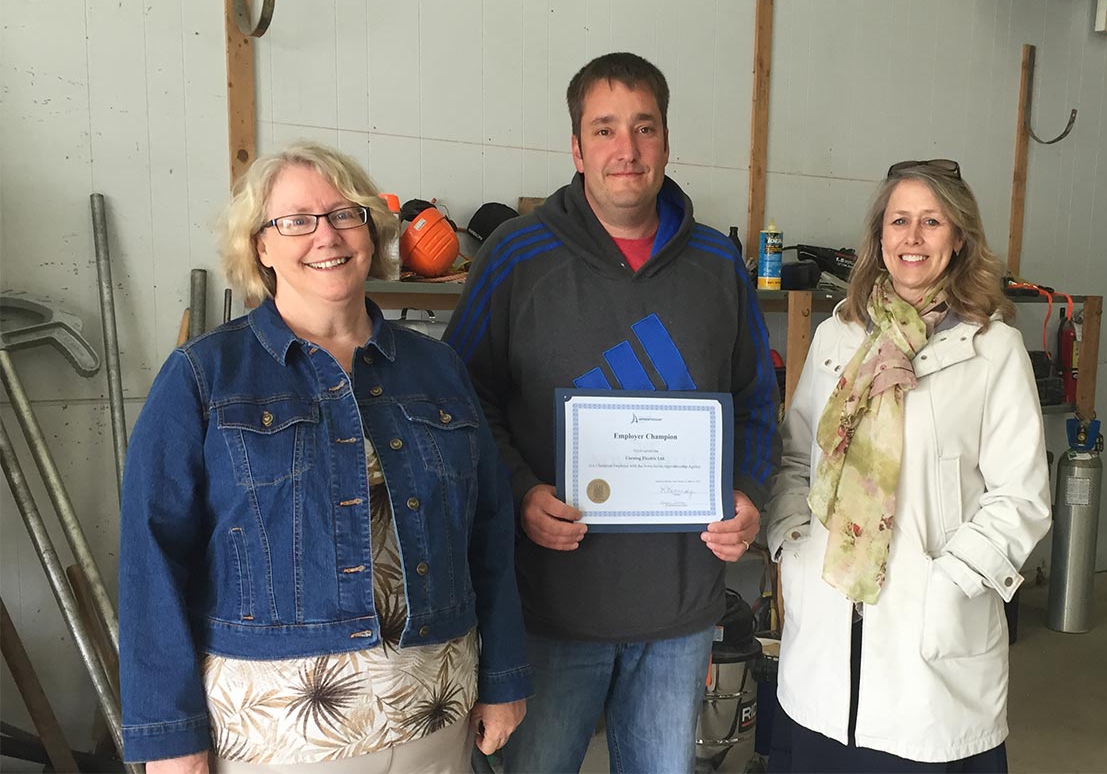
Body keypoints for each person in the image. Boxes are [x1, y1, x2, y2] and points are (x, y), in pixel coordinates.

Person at [117, 141, 530, 774]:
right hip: (277, 734)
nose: (326, 236)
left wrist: (504, 676)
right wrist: (169, 735)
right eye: (296, 220)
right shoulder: (203, 377)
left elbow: (489, 532)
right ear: (261, 245)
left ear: (371, 230)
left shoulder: (438, 369)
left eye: (345, 214)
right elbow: (152, 557)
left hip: (435, 713)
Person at [443, 52, 779, 773]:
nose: (626, 149)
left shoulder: (720, 266)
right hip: (549, 610)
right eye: (604, 130)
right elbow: (463, 404)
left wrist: (749, 494)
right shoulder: (514, 258)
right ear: (576, 147)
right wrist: (520, 490)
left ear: (666, 139)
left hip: (681, 615)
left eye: (643, 127)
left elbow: (757, 401)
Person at [766, 160, 1051, 773]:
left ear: (959, 238)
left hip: (926, 663)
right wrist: (792, 543)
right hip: (823, 648)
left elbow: (1020, 496)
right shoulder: (839, 334)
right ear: (879, 237)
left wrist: (947, 585)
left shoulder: (992, 348)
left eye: (931, 221)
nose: (913, 238)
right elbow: (795, 457)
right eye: (900, 221)